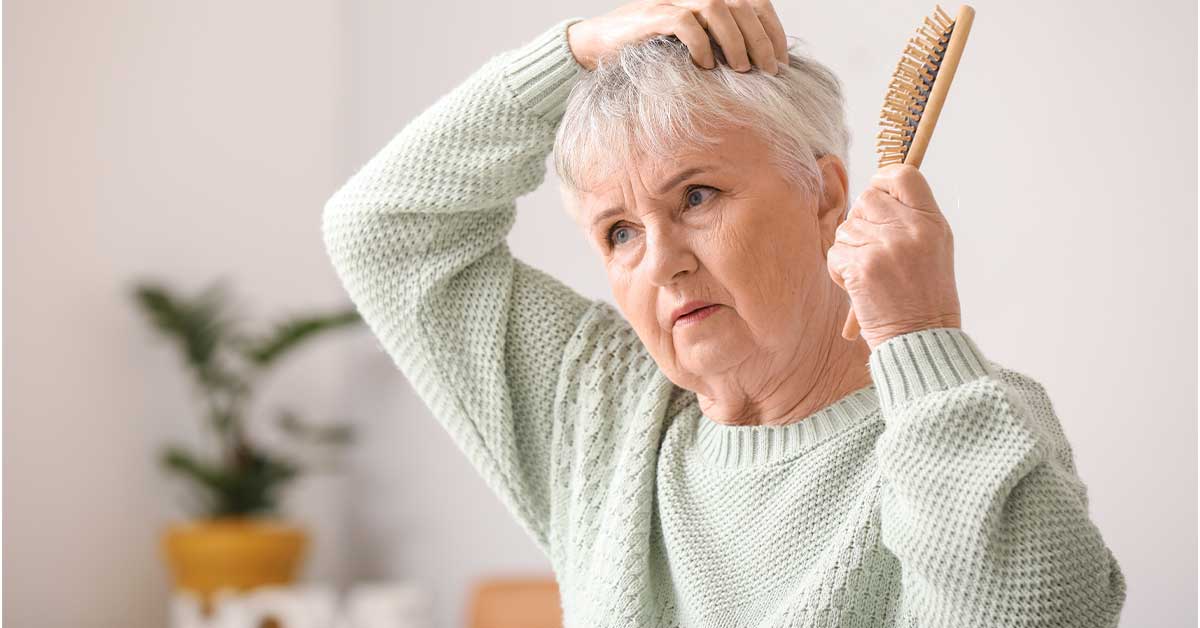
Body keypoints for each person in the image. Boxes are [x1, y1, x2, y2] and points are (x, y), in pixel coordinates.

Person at [321, 1, 1127, 625]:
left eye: (697, 196)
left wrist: (920, 339)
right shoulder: (602, 411)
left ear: (826, 198)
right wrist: (574, 52)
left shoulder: (962, 420)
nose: (662, 259)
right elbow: (387, 230)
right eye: (620, 232)